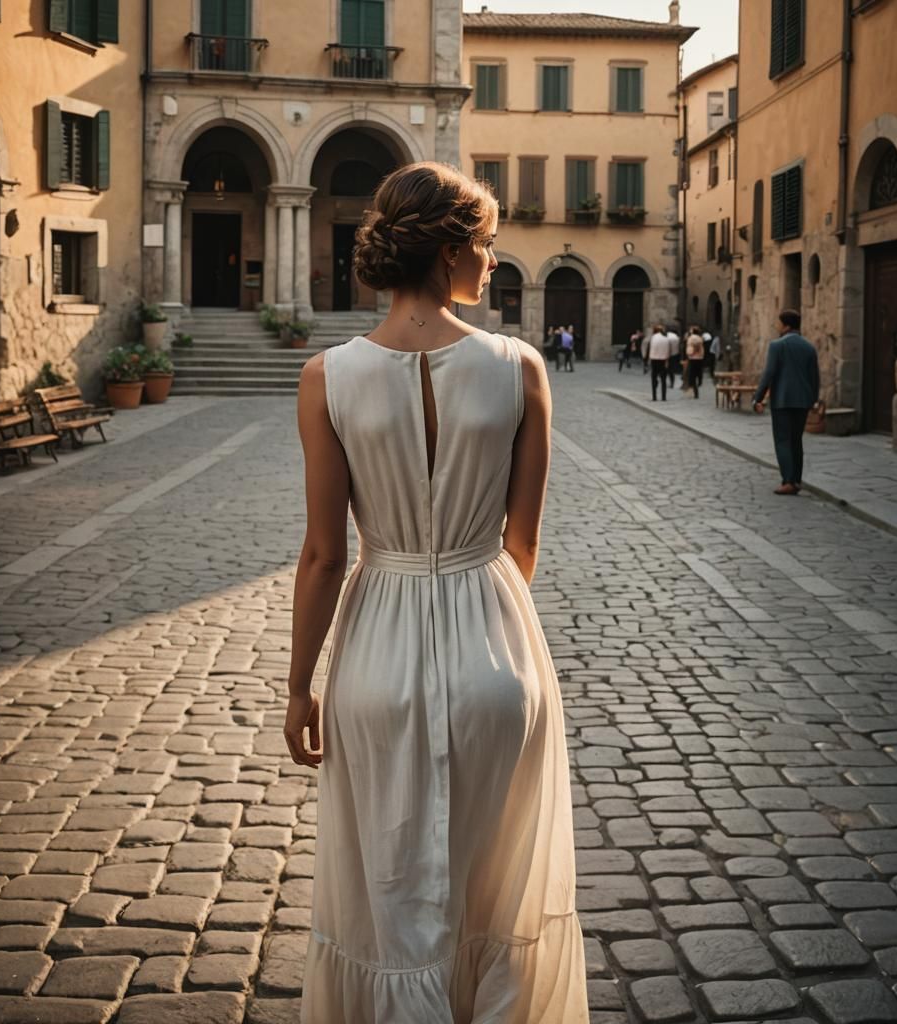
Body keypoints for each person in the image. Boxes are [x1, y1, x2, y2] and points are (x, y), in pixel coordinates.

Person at [286, 161, 589, 1022]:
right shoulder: (521, 367)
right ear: (452, 249)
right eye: (486, 244)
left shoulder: (326, 378)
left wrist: (300, 685)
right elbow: (519, 545)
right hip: (497, 650)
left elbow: (321, 553)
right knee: (495, 894)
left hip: (375, 655)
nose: (493, 260)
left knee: (387, 899)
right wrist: (473, 619)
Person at [753, 309, 821, 496]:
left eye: (779, 323)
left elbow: (769, 373)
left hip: (783, 400)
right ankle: (796, 479)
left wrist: (758, 398)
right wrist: (813, 399)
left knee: (783, 440)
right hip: (803, 401)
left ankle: (788, 480)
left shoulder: (777, 345)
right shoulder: (809, 347)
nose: (777, 326)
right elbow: (815, 377)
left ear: (786, 325)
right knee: (796, 441)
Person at [648, 323, 670, 401]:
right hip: (663, 360)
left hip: (654, 360)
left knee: (654, 378)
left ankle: (654, 397)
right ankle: (664, 397)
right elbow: (668, 351)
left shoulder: (653, 338)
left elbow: (650, 349)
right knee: (663, 379)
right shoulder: (666, 339)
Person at [685, 326, 705, 399]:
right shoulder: (700, 338)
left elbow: (695, 345)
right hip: (699, 358)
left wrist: (692, 352)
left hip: (693, 357)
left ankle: (695, 390)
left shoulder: (692, 338)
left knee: (692, 375)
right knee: (698, 373)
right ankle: (699, 381)